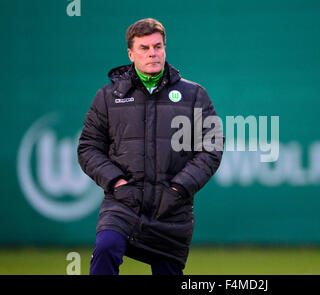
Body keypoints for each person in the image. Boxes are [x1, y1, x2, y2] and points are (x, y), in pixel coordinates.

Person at [77, 18, 224, 275]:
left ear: (165, 48)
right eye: (144, 48)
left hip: (171, 208)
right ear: (131, 54)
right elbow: (88, 147)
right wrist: (116, 183)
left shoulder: (194, 95)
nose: (152, 53)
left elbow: (212, 147)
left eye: (157, 46)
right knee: (106, 248)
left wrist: (179, 188)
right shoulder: (108, 97)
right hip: (123, 203)